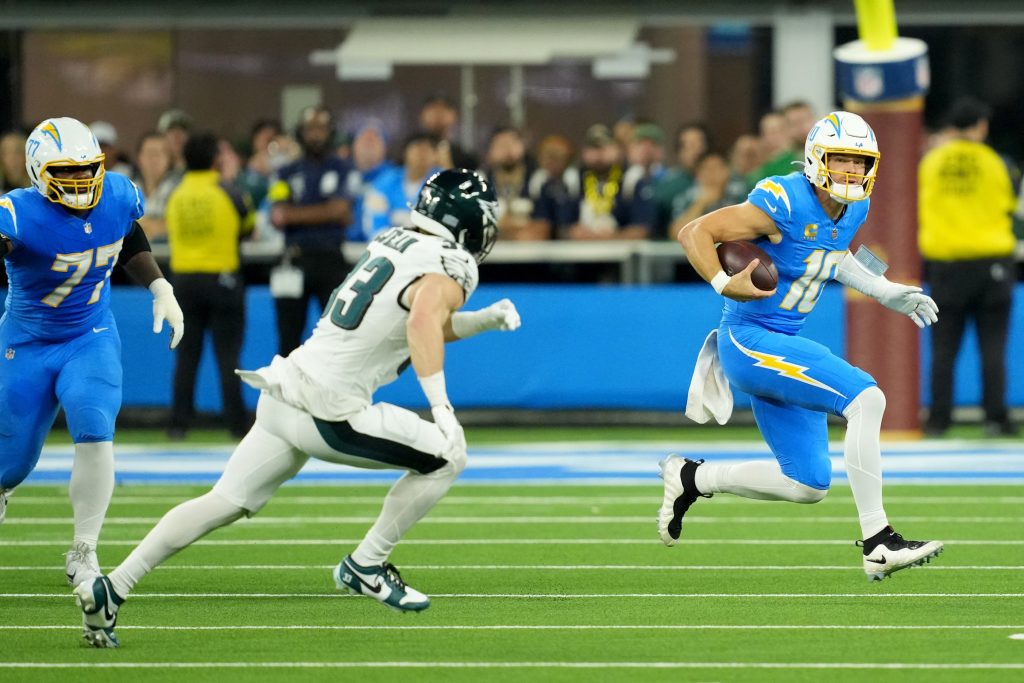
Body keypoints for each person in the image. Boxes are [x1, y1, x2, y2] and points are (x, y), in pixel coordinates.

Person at [74, 169, 521, 647]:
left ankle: (112, 587)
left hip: (285, 390)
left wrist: (481, 322)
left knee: (222, 501)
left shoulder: (395, 239)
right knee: (450, 455)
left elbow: (423, 319)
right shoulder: (454, 261)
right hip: (329, 409)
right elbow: (424, 324)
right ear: (470, 221)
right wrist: (443, 409)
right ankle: (366, 563)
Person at [665, 111, 943, 581]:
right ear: (816, 159)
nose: (852, 172)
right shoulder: (785, 199)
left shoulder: (854, 207)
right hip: (748, 338)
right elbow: (694, 231)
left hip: (780, 342)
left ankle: (692, 478)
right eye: (842, 160)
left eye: (860, 162)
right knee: (866, 397)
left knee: (807, 484)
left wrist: (884, 289)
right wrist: (720, 281)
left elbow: (833, 256)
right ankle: (879, 542)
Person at [0, 117, 184, 586]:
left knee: (95, 424)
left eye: (88, 170)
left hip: (90, 333)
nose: (82, 181)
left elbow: (130, 236)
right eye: (68, 172)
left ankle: (85, 549)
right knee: (12, 463)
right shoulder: (18, 212)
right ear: (39, 171)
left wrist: (160, 286)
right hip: (27, 340)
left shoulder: (118, 194)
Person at [918, 98, 1018, 438]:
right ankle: (996, 419)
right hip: (992, 263)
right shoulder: (996, 162)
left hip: (946, 264)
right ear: (980, 126)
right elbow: (1011, 205)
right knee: (992, 347)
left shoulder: (930, 162)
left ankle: (938, 420)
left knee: (943, 348)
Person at [165, 132, 253, 440]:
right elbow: (249, 226)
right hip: (222, 279)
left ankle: (178, 424)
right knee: (228, 355)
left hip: (184, 281)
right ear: (217, 158)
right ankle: (237, 424)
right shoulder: (227, 190)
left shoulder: (175, 193)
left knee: (186, 356)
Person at [267, 105, 352, 355]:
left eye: (321, 129)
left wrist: (296, 215)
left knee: (337, 335)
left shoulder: (342, 167)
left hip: (330, 258)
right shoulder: (285, 171)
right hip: (293, 258)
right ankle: (286, 395)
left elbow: (341, 211)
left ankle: (333, 395)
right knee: (288, 337)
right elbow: (278, 216)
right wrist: (325, 212)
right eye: (309, 129)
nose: (315, 135)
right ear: (300, 133)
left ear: (331, 132)